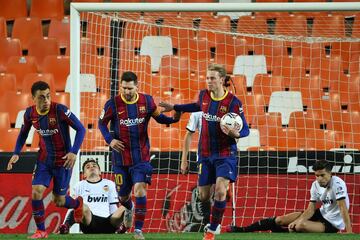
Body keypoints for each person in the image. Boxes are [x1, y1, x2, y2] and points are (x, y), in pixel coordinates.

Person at [159, 63, 250, 240]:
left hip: (225, 154)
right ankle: (214, 214)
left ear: (222, 80)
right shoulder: (204, 95)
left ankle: (212, 230)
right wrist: (175, 107)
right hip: (206, 154)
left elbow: (245, 129)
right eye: (207, 78)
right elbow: (195, 106)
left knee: (221, 191)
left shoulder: (233, 102)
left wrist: (237, 133)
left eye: (212, 78)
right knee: (202, 195)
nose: (209, 81)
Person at [98, 71, 181, 240]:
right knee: (122, 197)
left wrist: (175, 117)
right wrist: (109, 140)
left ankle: (138, 231)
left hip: (141, 157)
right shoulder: (112, 104)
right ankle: (129, 207)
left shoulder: (147, 101)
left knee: (140, 189)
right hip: (120, 158)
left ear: (137, 86)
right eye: (123, 88)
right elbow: (101, 123)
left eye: (130, 88)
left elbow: (160, 119)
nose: (126, 92)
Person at [6, 81, 86, 239]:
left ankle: (77, 204)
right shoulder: (29, 114)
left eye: (48, 96)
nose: (46, 100)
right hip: (43, 160)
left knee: (60, 201)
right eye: (42, 97)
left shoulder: (60, 110)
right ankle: (41, 231)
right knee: (36, 192)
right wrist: (16, 152)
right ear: (33, 98)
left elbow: (81, 129)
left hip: (63, 161)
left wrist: (73, 152)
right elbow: (23, 133)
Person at [225, 160, 353, 234]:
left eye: (322, 175)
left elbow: (343, 208)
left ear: (330, 173)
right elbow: (311, 209)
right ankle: (242, 229)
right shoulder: (315, 185)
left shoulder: (338, 183)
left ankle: (281, 232)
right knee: (280, 220)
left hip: (332, 224)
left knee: (299, 226)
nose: (319, 179)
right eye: (317, 175)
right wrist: (297, 219)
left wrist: (349, 231)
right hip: (321, 214)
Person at [57, 159, 128, 234]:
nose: (91, 167)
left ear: (100, 172)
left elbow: (113, 206)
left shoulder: (110, 184)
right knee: (81, 205)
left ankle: (123, 229)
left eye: (94, 166)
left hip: (108, 222)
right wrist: (65, 222)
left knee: (127, 206)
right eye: (88, 167)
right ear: (84, 174)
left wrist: (116, 222)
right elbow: (73, 208)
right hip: (89, 222)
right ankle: (65, 227)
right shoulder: (79, 185)